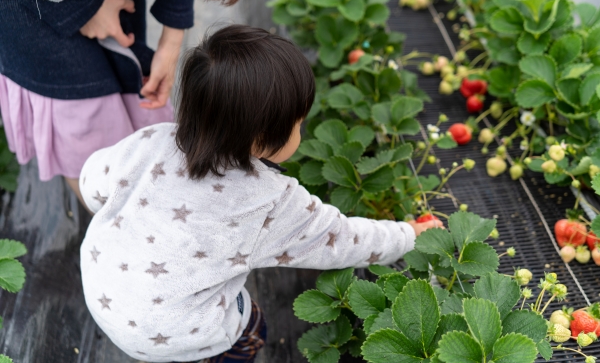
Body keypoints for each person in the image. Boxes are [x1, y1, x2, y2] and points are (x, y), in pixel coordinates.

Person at [77, 25, 443, 362]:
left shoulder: (150, 141)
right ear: (260, 138)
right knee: (250, 329)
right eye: (298, 123)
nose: (302, 129)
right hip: (182, 332)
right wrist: (411, 235)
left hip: (105, 298)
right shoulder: (270, 201)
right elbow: (343, 239)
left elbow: (91, 186)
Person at [0, 0, 245, 204]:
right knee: (86, 129)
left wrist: (172, 42)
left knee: (131, 93)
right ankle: (115, 228)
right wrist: (85, 6)